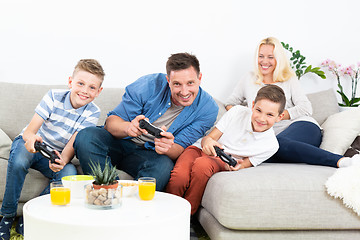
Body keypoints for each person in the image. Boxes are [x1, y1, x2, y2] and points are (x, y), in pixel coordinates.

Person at [73, 52, 219, 192]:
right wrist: (128, 127)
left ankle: (133, 206)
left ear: (199, 78)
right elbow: (111, 123)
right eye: (177, 84)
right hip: (118, 143)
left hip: (149, 155)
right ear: (168, 81)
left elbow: (179, 149)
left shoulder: (208, 109)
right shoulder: (148, 85)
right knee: (86, 136)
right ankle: (109, 191)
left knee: (163, 167)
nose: (184, 91)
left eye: (190, 83)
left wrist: (168, 147)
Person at [0, 59, 105, 239]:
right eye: (81, 83)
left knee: (67, 174)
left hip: (53, 154)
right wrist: (32, 140)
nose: (85, 91)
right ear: (71, 82)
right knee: (19, 161)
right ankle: (7, 216)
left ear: (98, 92)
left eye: (92, 87)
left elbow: (72, 143)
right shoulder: (54, 96)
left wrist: (62, 161)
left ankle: (31, 214)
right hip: (32, 143)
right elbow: (30, 133)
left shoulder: (93, 112)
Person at [225, 36, 360, 168]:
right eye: (261, 56)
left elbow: (306, 108)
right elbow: (230, 103)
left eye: (270, 57)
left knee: (278, 144)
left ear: (278, 59)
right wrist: (252, 115)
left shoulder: (288, 79)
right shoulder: (249, 79)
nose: (264, 61)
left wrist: (275, 115)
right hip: (270, 137)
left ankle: (343, 162)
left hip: (302, 126)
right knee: (268, 148)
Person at [166, 85, 286, 215]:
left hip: (221, 160)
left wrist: (238, 166)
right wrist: (208, 143)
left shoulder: (271, 145)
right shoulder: (237, 111)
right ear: (252, 105)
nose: (261, 118)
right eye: (258, 110)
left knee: (202, 165)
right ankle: (167, 212)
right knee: (179, 177)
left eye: (270, 115)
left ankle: (187, 216)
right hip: (198, 149)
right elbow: (209, 138)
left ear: (280, 117)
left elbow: (245, 164)